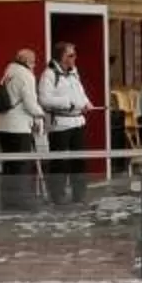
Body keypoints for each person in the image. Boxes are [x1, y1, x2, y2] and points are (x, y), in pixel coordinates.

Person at [39, 42, 91, 203]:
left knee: (79, 161)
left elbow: (80, 92)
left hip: (77, 122)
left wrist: (86, 103)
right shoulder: (49, 75)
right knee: (59, 162)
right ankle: (57, 194)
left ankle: (79, 193)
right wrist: (68, 103)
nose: (74, 58)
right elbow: (45, 99)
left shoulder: (74, 73)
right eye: (70, 55)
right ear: (61, 57)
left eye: (74, 54)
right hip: (60, 123)